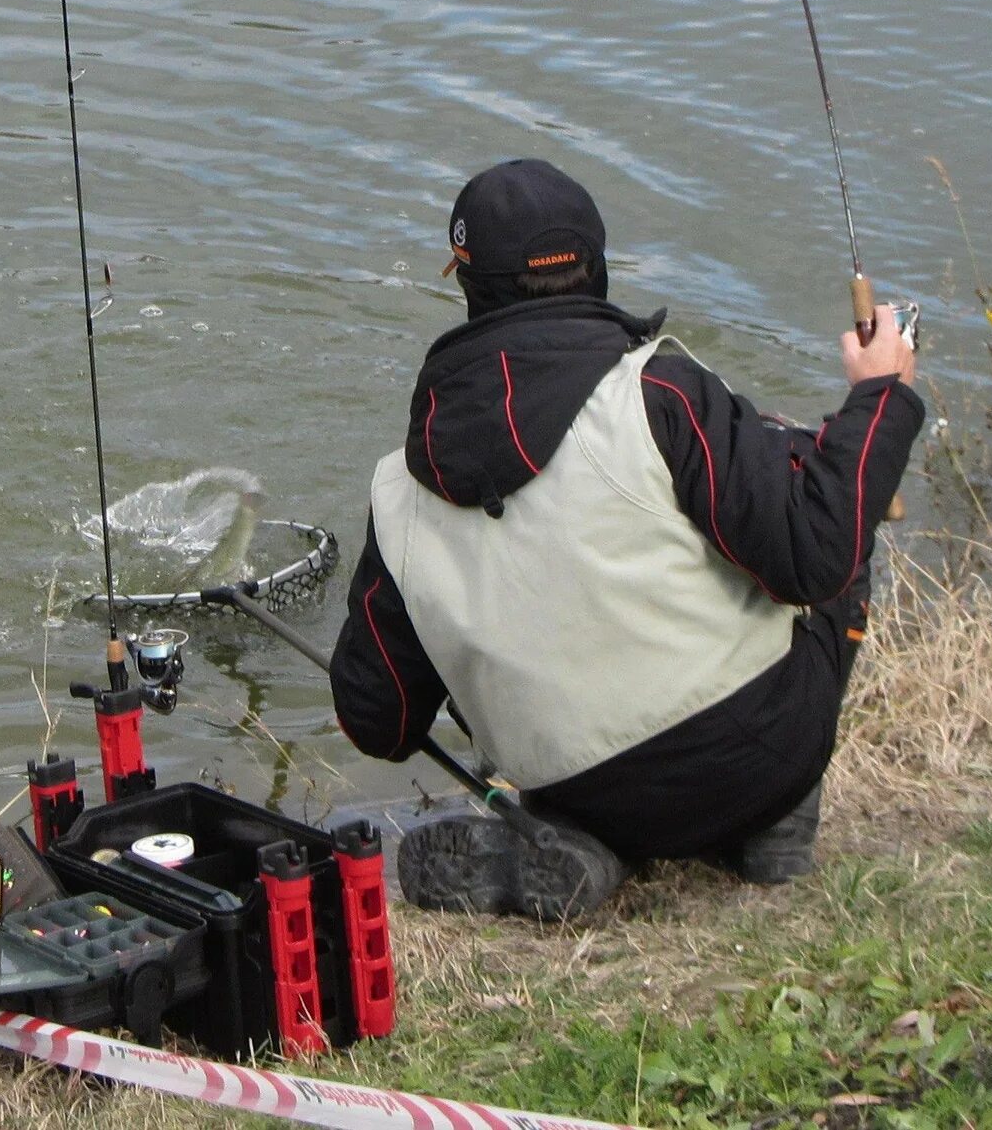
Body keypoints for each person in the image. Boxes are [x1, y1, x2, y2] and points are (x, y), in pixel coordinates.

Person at [329, 158, 923, 920]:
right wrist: (880, 396)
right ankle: (771, 825)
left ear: (469, 287)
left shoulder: (398, 490)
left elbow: (376, 721)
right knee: (837, 501)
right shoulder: (662, 394)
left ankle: (576, 841)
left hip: (577, 790)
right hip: (756, 756)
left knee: (809, 498)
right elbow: (817, 553)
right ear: (597, 268)